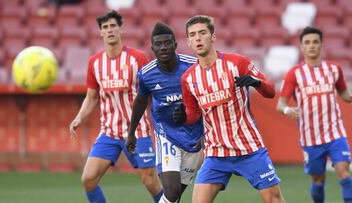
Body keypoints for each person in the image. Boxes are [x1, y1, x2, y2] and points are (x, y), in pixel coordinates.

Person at [173, 15, 285, 203]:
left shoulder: (237, 63)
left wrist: (256, 83)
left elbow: (271, 91)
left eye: (202, 33)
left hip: (248, 148)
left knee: (273, 199)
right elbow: (193, 114)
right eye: (193, 35)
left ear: (213, 37)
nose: (198, 38)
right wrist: (183, 117)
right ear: (189, 42)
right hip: (216, 153)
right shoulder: (188, 79)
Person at [69, 10, 162, 203]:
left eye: (113, 26)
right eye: (105, 27)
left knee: (150, 181)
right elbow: (92, 96)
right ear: (100, 32)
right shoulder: (95, 62)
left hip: (138, 132)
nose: (110, 30)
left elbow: (153, 92)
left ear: (121, 29)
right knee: (88, 179)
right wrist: (79, 117)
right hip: (109, 132)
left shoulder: (138, 59)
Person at [126, 22, 204, 203]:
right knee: (171, 192)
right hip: (166, 134)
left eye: (167, 43)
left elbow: (206, 96)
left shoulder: (193, 67)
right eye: (158, 44)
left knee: (175, 196)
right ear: (152, 48)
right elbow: (141, 100)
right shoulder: (146, 74)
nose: (163, 48)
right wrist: (131, 132)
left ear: (175, 45)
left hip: (194, 136)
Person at [277, 26, 352, 203]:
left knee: (344, 173)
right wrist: (288, 110)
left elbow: (345, 95)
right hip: (311, 138)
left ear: (321, 45)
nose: (312, 46)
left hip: (335, 132)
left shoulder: (334, 69)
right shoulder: (294, 74)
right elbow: (281, 104)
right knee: (318, 181)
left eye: (315, 42)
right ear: (302, 47)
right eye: (307, 42)